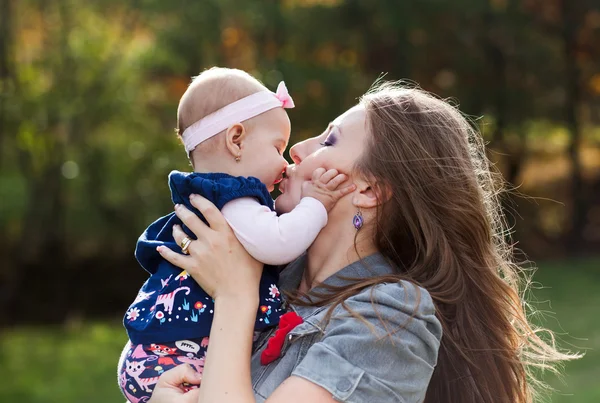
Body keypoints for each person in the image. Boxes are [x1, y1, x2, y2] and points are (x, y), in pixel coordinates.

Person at [150, 81, 578, 403]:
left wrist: (235, 297)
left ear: (369, 192)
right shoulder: (274, 280)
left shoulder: (390, 317)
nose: (298, 148)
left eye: (330, 139)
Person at [117, 67, 354, 402]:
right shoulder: (236, 199)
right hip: (179, 355)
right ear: (236, 140)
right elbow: (279, 242)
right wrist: (316, 204)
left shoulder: (208, 194)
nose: (285, 163)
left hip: (157, 355)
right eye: (277, 148)